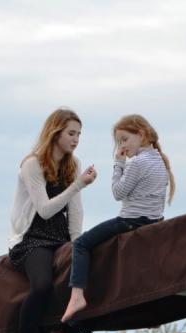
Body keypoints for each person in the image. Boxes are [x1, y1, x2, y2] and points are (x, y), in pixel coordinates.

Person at [7, 108, 97, 333]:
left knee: (88, 278)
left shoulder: (73, 164)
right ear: (55, 133)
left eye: (79, 134)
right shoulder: (32, 165)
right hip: (32, 238)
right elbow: (45, 210)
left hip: (60, 237)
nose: (76, 139)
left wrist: (77, 245)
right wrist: (77, 185)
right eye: (71, 133)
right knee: (43, 285)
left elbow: (75, 210)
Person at [62, 114, 176, 322]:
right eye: (119, 142)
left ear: (141, 135)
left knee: (81, 244)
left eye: (124, 139)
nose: (122, 145)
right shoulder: (159, 160)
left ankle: (77, 295)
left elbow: (118, 193)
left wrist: (119, 164)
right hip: (153, 221)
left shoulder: (138, 162)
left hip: (131, 221)